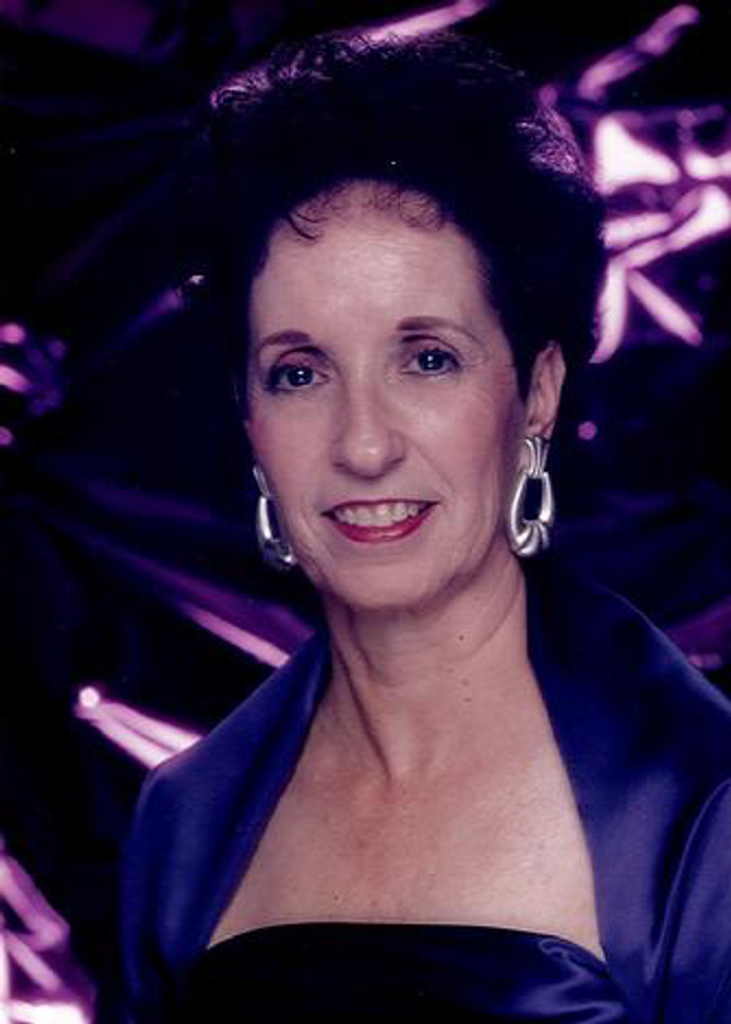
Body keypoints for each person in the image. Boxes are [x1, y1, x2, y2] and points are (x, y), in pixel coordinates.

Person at [114, 29, 731, 1022]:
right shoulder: (185, 821)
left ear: (535, 391)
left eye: (427, 359)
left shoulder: (701, 805)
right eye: (299, 373)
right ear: (247, 415)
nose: (362, 445)